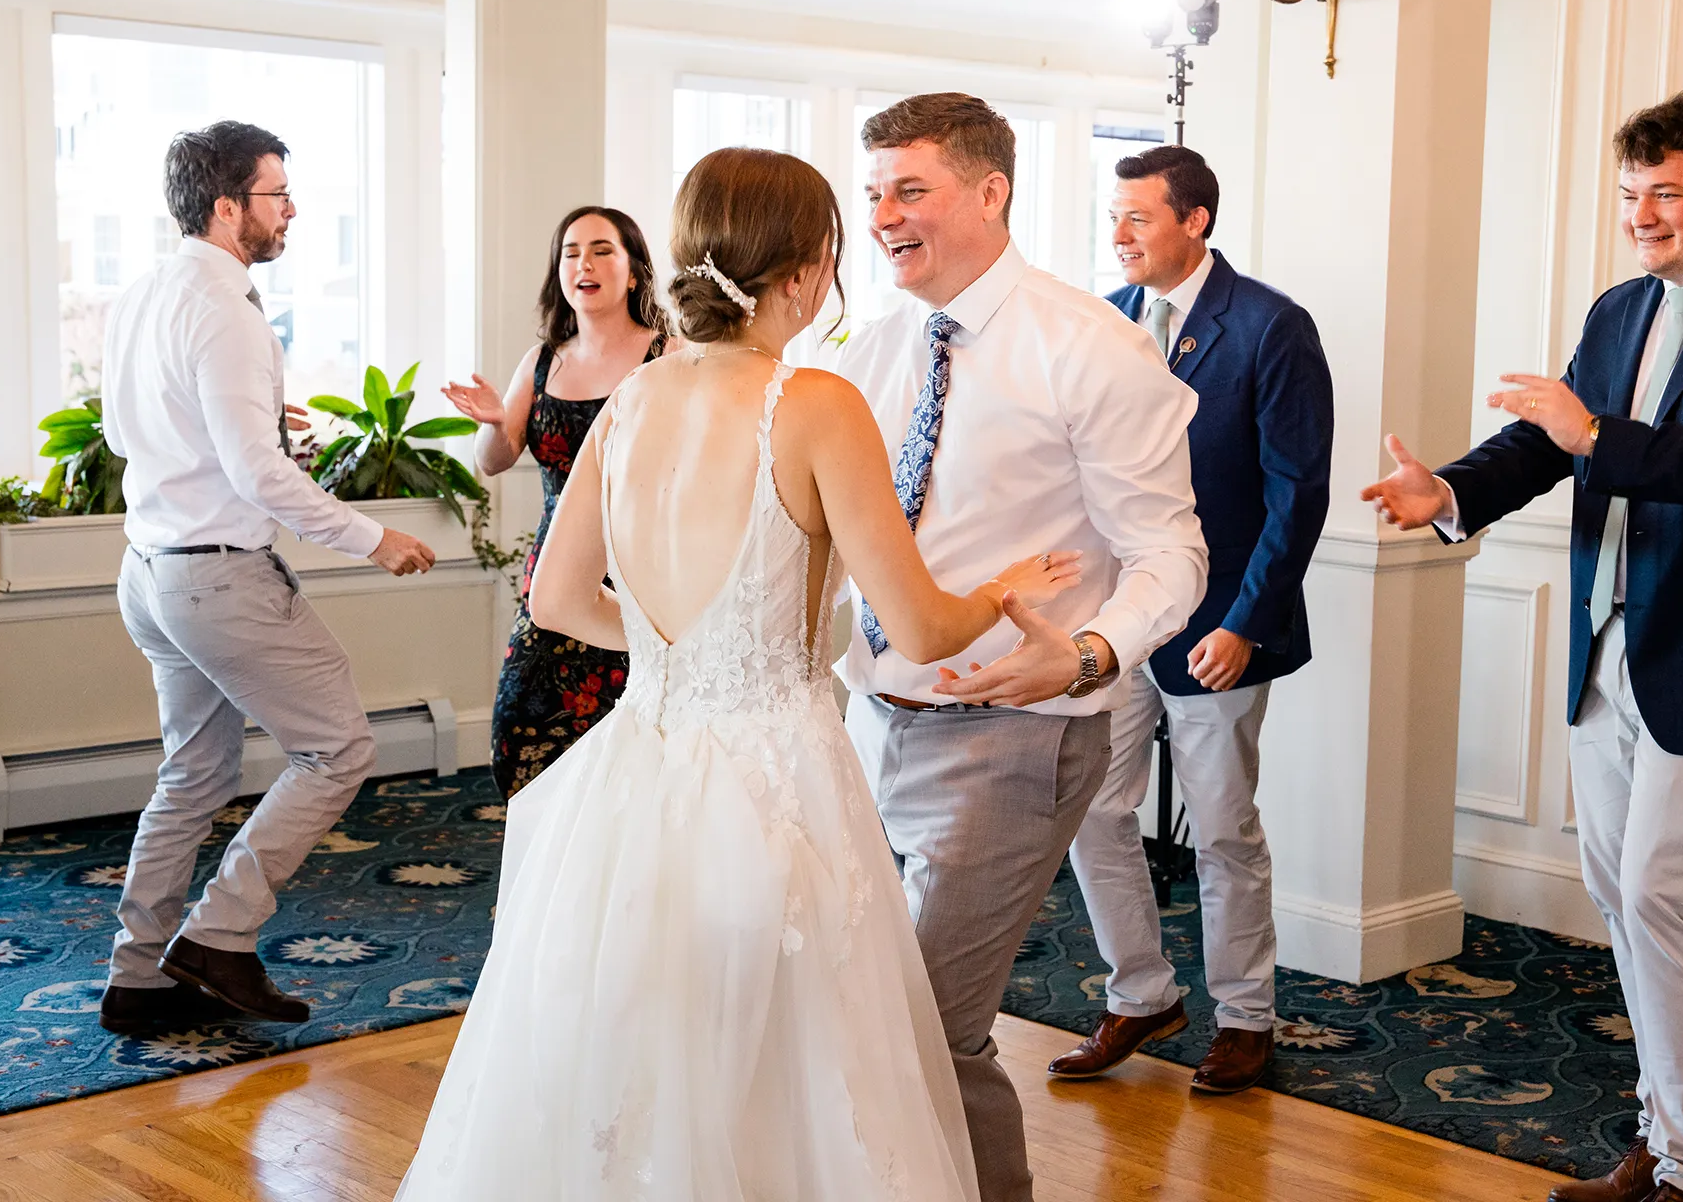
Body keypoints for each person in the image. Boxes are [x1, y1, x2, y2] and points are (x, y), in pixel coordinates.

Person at [395, 146, 1084, 1200]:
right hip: (776, 782)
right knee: (794, 1071)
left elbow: (557, 599)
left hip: (636, 773)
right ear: (807, 270)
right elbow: (921, 624)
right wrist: (1006, 585)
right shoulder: (814, 403)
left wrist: (691, 646)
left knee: (647, 1068)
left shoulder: (630, 402)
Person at [1360, 91, 1683, 1202]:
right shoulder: (1620, 307)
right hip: (1608, 648)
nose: (1641, 214)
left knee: (1662, 897)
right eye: (1631, 193)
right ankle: (1665, 1132)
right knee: (1622, 892)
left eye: (1667, 192)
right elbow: (1547, 444)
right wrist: (1450, 488)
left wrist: (1599, 437)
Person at [830, 93, 1208, 1202]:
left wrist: (1088, 652)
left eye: (910, 189)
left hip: (1016, 731)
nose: (884, 216)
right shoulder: (869, 351)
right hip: (867, 722)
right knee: (870, 1014)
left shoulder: (1091, 345)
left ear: (991, 192)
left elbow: (1171, 552)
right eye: (873, 194)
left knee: (929, 1026)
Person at [100, 120, 435, 1034]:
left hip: (150, 573)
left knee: (194, 772)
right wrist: (374, 538)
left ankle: (138, 978)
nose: (290, 211)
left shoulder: (141, 295)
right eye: (277, 195)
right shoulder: (227, 310)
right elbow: (257, 477)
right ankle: (220, 937)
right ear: (225, 206)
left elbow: (128, 434)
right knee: (340, 748)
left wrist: (238, 420)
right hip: (219, 579)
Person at [1052, 145, 1332, 1095]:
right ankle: (1140, 993)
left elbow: (1297, 495)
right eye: (1113, 216)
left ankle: (1246, 1020)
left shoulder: (1269, 327)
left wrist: (1247, 622)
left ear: (1195, 220)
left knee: (1221, 830)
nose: (1118, 233)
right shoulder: (1107, 323)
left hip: (1220, 628)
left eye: (1137, 217)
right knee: (1093, 807)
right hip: (1119, 623)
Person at [441, 205, 667, 800]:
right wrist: (495, 421)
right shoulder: (542, 361)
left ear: (634, 271)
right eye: (570, 252)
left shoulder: (668, 357)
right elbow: (492, 460)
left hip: (642, 574)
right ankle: (549, 872)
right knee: (520, 727)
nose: (583, 264)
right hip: (557, 569)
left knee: (634, 735)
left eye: (600, 250)